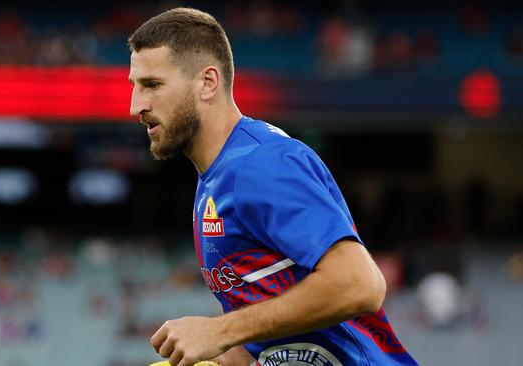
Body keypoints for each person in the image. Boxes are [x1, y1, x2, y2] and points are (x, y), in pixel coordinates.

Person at [128, 7, 418, 366]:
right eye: (135, 86)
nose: (135, 105)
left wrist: (218, 332)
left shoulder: (260, 165)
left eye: (152, 85)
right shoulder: (215, 180)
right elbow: (270, 336)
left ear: (207, 83)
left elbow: (360, 284)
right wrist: (218, 356)